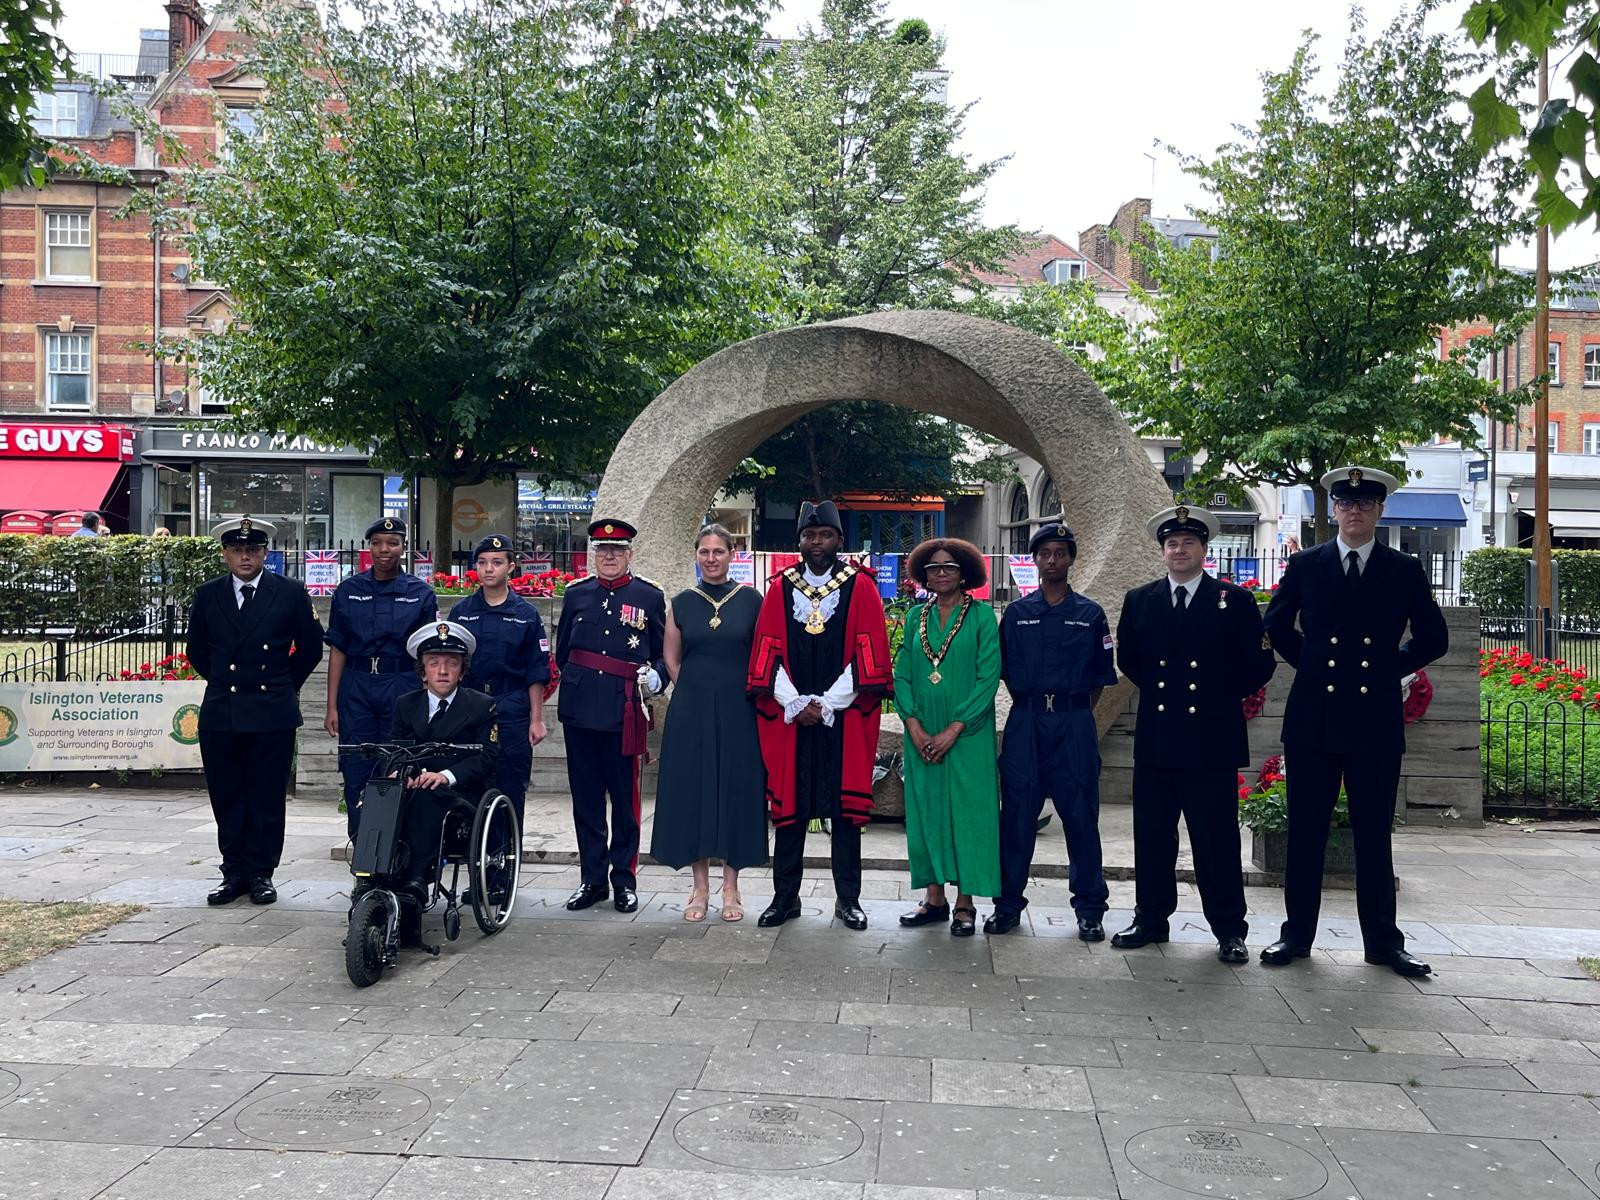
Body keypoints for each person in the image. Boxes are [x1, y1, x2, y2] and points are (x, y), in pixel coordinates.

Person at [1261, 466, 1448, 977]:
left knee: (1372, 836)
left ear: (1380, 510)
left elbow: (1434, 639)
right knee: (1305, 834)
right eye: (1346, 503)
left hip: (1372, 720)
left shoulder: (1403, 569)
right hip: (1314, 717)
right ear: (1335, 510)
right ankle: (1295, 936)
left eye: (1365, 504)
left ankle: (1384, 943)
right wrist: (1314, 662)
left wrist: (1390, 667)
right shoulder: (1306, 564)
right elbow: (1275, 624)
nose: (1355, 511)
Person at [1113, 506, 1276, 963]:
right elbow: (1132, 662)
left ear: (1205, 549)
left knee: (1215, 839)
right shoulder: (1141, 599)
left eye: (1188, 543)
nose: (1179, 550)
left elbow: (1260, 664)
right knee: (1152, 835)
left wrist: (1216, 696)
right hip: (1159, 739)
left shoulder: (1234, 601)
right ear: (1162, 550)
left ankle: (1229, 929)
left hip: (1211, 738)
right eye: (1171, 543)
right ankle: (1151, 918)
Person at [747, 500, 892, 931]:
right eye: (809, 536)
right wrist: (795, 703)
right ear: (800, 541)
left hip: (841, 718)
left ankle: (848, 900)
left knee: (845, 815)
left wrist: (826, 703)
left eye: (824, 535)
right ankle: (785, 898)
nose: (816, 543)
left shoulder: (860, 586)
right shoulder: (780, 586)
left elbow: (869, 650)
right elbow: (766, 649)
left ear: (838, 540)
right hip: (794, 718)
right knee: (790, 812)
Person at [185, 516, 324, 906]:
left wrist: (282, 684)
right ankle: (234, 872)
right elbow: (196, 649)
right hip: (223, 709)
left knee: (265, 794)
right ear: (225, 554)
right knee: (227, 794)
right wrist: (225, 684)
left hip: (271, 710)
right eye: (237, 550)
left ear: (265, 553)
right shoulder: (208, 594)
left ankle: (262, 872)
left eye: (252, 550)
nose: (245, 557)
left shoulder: (291, 592)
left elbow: (311, 648)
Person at [988, 522, 1117, 939]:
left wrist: (1070, 711)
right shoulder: (1018, 614)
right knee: (1017, 817)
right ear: (1035, 559)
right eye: (1045, 554)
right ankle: (1008, 904)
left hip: (1074, 721)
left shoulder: (1091, 614)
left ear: (1071, 559)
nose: (1052, 561)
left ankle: (1090, 907)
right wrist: (1037, 705)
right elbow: (1005, 671)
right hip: (1027, 722)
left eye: (1060, 553)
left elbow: (1100, 678)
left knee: (1080, 816)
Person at [652, 524, 767, 922]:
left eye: (719, 551)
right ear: (696, 554)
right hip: (692, 709)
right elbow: (672, 658)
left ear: (732, 554)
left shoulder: (752, 600)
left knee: (735, 791)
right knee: (695, 792)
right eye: (704, 551)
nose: (712, 558)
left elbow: (764, 653)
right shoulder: (682, 602)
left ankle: (731, 888)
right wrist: (696, 690)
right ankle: (699, 888)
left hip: (740, 708)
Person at [554, 517, 667, 913]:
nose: (609, 556)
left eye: (617, 550)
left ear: (629, 554)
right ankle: (592, 879)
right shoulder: (577, 595)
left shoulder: (649, 597)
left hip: (623, 712)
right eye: (602, 550)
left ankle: (624, 879)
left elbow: (661, 655)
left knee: (624, 800)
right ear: (593, 554)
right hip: (581, 710)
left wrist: (656, 678)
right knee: (585, 800)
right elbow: (562, 652)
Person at [893, 538, 1002, 938]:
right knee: (928, 812)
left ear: (965, 573)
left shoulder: (982, 618)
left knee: (969, 815)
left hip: (967, 733)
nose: (941, 573)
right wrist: (915, 726)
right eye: (934, 567)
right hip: (922, 733)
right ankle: (934, 898)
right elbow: (902, 673)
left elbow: (988, 677)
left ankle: (965, 903)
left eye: (950, 567)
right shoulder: (914, 617)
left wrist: (955, 728)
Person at [381, 620, 499, 936]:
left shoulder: (481, 706)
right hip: (415, 786)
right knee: (380, 795)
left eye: (452, 664)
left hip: (460, 796)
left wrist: (444, 776)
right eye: (434, 664)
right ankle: (373, 879)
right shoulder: (406, 705)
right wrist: (400, 772)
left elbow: (486, 758)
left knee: (428, 797)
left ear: (462, 671)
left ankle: (418, 879)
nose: (443, 671)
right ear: (423, 671)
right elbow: (395, 748)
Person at [325, 517, 438, 837]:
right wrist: (331, 706)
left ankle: (397, 847)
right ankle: (363, 851)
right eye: (377, 543)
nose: (384, 550)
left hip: (401, 683)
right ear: (368, 547)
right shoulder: (349, 591)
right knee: (356, 768)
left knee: (400, 765)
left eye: (392, 543)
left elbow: (428, 655)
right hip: (357, 684)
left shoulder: (420, 593)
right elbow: (338, 650)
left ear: (404, 547)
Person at [452, 533, 551, 824]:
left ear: (511, 567)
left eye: (496, 562)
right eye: (482, 563)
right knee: (469, 784)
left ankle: (507, 858)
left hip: (511, 706)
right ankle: (474, 856)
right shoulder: (461, 612)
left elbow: (536, 671)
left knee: (510, 785)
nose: (488, 569)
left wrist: (536, 718)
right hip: (470, 706)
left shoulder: (526, 614)